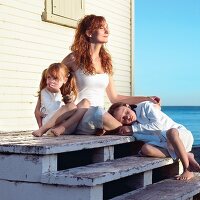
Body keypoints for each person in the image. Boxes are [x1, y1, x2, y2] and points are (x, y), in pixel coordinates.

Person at [34, 14, 161, 136]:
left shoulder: (106, 61)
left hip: (98, 118)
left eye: (107, 28)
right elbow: (53, 78)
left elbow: (115, 98)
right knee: (99, 113)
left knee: (142, 115)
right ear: (89, 33)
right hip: (79, 116)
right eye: (101, 28)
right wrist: (38, 110)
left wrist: (146, 98)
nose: (107, 31)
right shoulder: (74, 58)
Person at [107, 101, 200, 180]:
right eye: (123, 118)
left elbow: (158, 125)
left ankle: (187, 169)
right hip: (167, 145)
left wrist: (133, 129)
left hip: (180, 136)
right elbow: (150, 139)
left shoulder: (145, 106)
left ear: (127, 106)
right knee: (146, 149)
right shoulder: (133, 129)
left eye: (126, 112)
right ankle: (186, 154)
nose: (127, 117)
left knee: (170, 132)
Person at [32, 63, 90, 137]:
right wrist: (58, 93)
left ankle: (62, 128)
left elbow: (73, 111)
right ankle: (42, 130)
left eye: (55, 78)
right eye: (49, 77)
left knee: (85, 102)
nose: (51, 81)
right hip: (50, 126)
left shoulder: (68, 92)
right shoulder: (44, 92)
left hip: (66, 126)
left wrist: (69, 101)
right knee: (71, 106)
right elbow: (51, 109)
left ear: (65, 80)